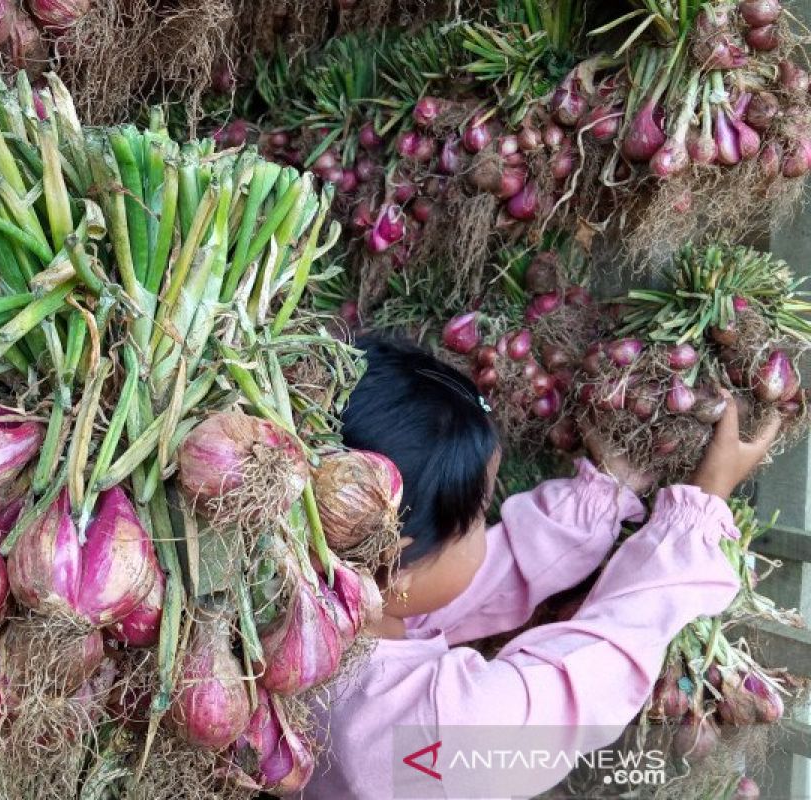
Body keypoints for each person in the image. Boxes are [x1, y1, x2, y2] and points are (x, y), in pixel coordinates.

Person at [303, 336, 783, 800]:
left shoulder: (327, 615)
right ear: (392, 564)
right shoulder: (423, 733)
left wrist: (603, 497)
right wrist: (694, 520)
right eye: (477, 518)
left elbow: (483, 578)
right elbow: (584, 685)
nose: (484, 531)